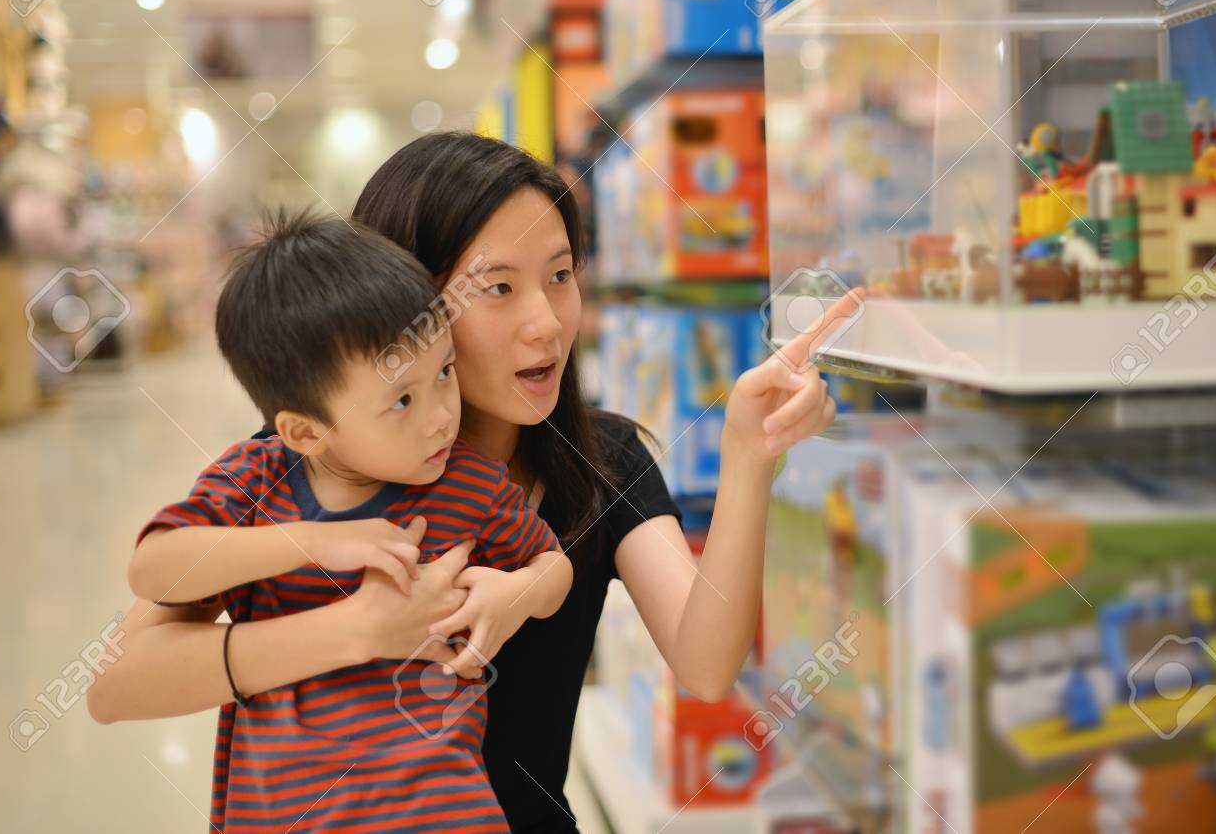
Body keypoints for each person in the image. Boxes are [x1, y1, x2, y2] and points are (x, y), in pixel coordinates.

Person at [88, 132, 863, 834]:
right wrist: (356, 630)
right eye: (497, 288)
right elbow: (117, 685)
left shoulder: (604, 460)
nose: (548, 322)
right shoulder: (308, 465)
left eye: (561, 276)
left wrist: (748, 459)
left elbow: (705, 663)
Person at [124, 209, 571, 832]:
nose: (442, 416)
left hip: (444, 813)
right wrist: (310, 543)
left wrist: (518, 594)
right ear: (305, 432)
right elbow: (153, 569)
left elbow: (555, 565)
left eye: (444, 372)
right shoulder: (257, 484)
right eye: (402, 401)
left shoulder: (464, 484)